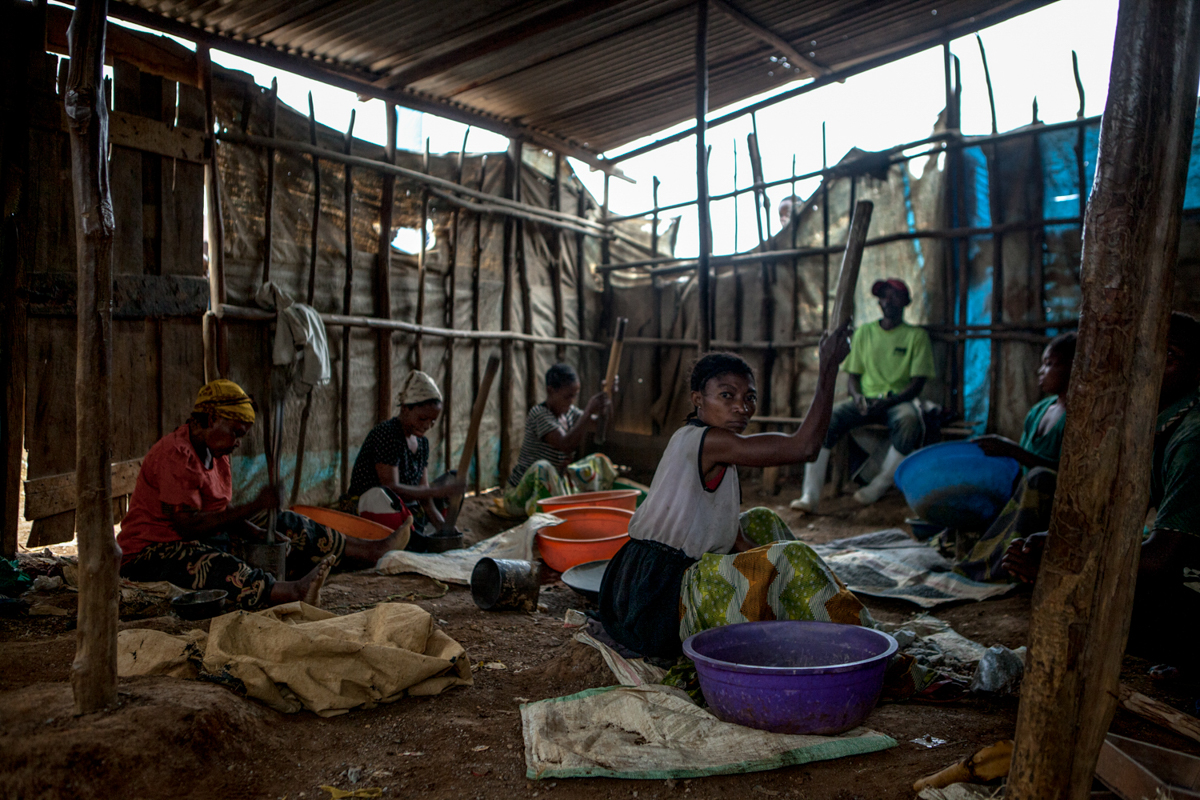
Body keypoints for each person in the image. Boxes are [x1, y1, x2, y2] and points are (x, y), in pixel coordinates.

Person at [598, 332, 885, 662]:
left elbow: (730, 535)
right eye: (726, 395)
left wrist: (769, 576)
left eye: (749, 398)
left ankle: (814, 622)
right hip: (656, 597)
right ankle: (864, 644)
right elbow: (805, 448)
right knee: (794, 556)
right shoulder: (710, 441)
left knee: (763, 520)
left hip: (650, 581)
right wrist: (829, 369)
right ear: (697, 399)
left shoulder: (709, 447)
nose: (741, 407)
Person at [1003, 313, 1200, 671]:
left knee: (1093, 600)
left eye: (1169, 356)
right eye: (1140, 354)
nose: (1149, 366)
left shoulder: (1193, 437)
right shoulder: (1159, 423)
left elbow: (1161, 560)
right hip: (1182, 567)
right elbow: (1123, 517)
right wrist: (1056, 539)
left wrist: (1068, 554)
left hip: (1183, 572)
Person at [118, 380, 407, 609]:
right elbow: (187, 526)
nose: (238, 443)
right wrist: (253, 505)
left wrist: (257, 531)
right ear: (207, 419)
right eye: (235, 432)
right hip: (150, 552)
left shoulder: (216, 454)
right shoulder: (175, 455)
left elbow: (219, 513)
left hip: (196, 536)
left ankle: (369, 551)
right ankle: (291, 592)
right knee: (211, 563)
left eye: (242, 435)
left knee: (282, 521)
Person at [792, 277, 936, 512]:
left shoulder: (916, 336)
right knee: (825, 421)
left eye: (894, 296)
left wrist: (889, 401)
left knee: (910, 422)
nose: (887, 301)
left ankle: (877, 487)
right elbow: (853, 377)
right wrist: (857, 398)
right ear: (878, 302)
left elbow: (917, 383)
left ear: (906, 302)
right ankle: (810, 495)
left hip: (897, 401)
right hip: (865, 401)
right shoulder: (865, 333)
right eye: (883, 296)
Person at [943, 332, 1077, 580]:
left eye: (1049, 364)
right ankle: (980, 551)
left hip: (1054, 508)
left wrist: (1011, 450)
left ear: (1074, 366)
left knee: (1039, 477)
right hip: (1022, 500)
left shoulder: (1080, 417)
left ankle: (998, 565)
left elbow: (1068, 476)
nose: (1040, 371)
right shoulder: (1039, 411)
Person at [343, 371, 465, 533]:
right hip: (371, 510)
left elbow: (424, 494)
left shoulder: (422, 443)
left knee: (453, 479)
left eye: (433, 420)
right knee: (379, 495)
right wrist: (433, 491)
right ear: (406, 409)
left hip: (407, 510)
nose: (428, 425)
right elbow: (391, 487)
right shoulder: (387, 433)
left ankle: (426, 533)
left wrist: (441, 525)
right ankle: (402, 537)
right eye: (423, 419)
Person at [493, 363, 617, 518]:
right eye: (567, 396)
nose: (571, 401)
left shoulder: (570, 413)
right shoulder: (539, 414)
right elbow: (565, 445)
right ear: (550, 391)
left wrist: (609, 399)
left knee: (598, 462)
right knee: (543, 468)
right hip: (520, 497)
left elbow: (602, 426)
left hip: (554, 488)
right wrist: (588, 412)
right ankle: (547, 516)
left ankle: (591, 508)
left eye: (574, 396)